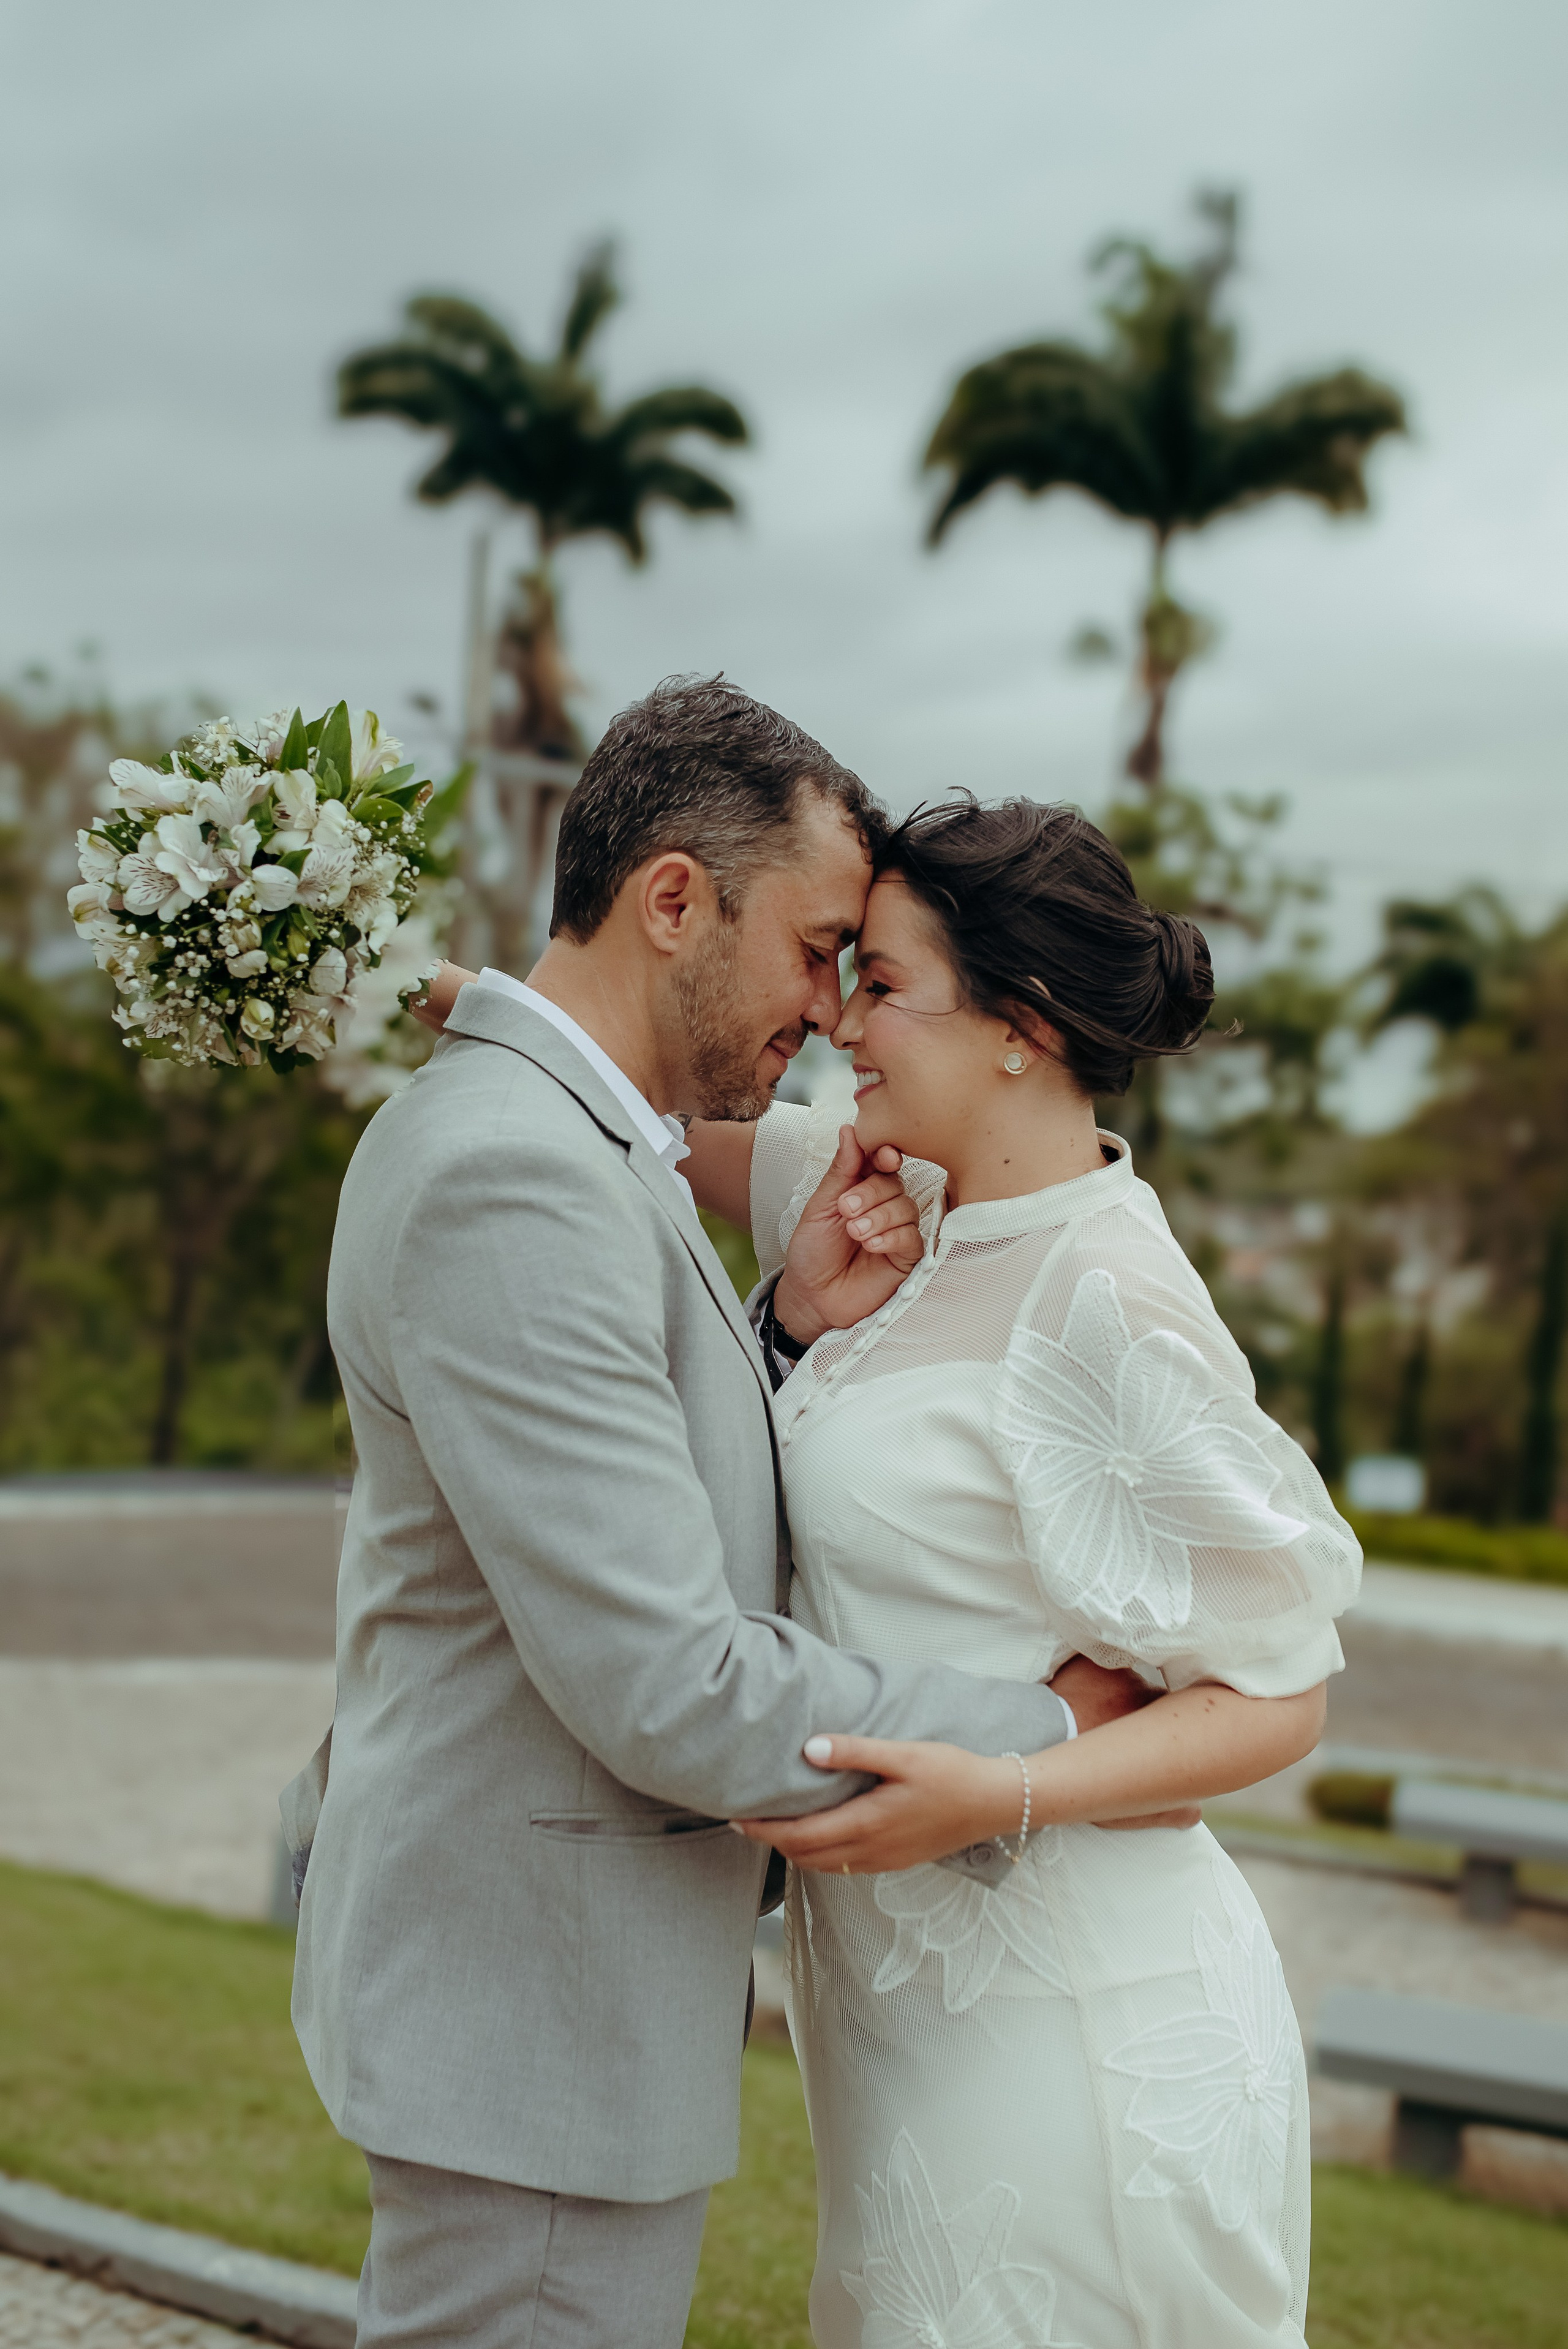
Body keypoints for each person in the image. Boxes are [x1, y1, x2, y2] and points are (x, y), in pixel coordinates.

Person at [282, 680, 1158, 2349]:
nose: (828, 1013)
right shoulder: (516, 1171)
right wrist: (1044, 1734)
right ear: (675, 900)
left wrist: (784, 1334)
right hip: (539, 2020)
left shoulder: (560, 1137)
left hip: (540, 1999)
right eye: (818, 950)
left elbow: (608, 1476)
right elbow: (671, 1680)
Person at [688, 796, 1362, 2348]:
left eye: (881, 984)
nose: (839, 1023)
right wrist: (390, 972)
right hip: (900, 2025)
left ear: (1022, 1027)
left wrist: (1002, 1790)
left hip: (1074, 2024)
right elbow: (623, 1107)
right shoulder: (891, 1196)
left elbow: (1280, 1691)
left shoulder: (1108, 1293)